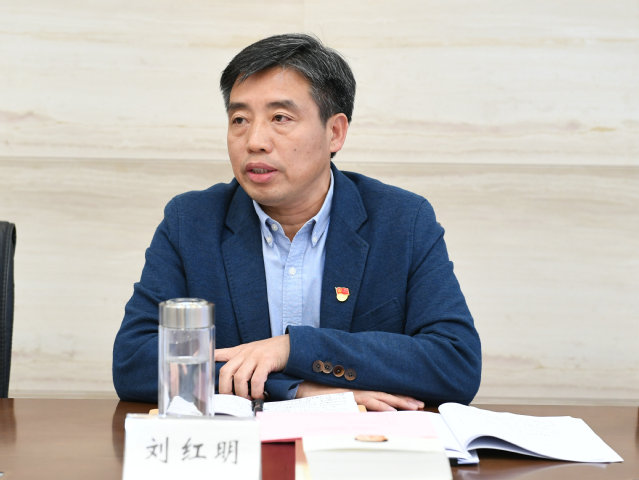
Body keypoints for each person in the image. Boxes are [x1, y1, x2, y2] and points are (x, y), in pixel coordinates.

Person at [113, 33, 481, 411]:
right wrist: (295, 389)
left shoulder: (402, 221)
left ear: (334, 132)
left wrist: (292, 349)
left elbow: (455, 364)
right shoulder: (191, 223)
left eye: (280, 118)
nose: (255, 140)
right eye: (240, 119)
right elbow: (134, 362)